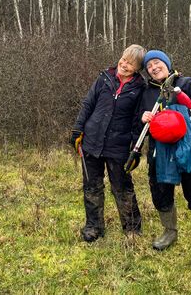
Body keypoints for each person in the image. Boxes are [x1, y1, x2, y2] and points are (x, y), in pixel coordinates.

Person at [138, 50, 191, 267]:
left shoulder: (186, 83)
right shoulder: (146, 92)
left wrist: (183, 116)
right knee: (161, 193)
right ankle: (170, 232)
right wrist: (143, 117)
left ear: (166, 63)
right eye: (149, 67)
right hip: (159, 153)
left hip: (188, 151)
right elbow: (137, 121)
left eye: (157, 63)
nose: (154, 68)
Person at [70, 44, 146, 242]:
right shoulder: (104, 78)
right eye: (123, 59)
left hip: (119, 147)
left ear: (138, 68)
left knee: (122, 188)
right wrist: (77, 130)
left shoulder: (140, 88)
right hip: (91, 141)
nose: (124, 64)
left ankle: (132, 228)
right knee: (92, 186)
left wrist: (136, 150)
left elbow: (139, 121)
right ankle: (94, 226)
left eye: (131, 63)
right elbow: (88, 104)